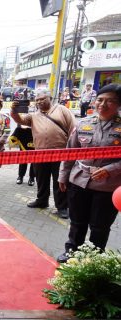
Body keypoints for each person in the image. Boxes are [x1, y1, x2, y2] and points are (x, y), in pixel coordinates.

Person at [56, 84, 121, 263]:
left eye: (110, 101)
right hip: (79, 181)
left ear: (118, 104)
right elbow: (70, 152)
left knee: (100, 226)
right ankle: (72, 251)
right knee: (77, 222)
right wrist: (63, 176)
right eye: (100, 100)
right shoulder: (83, 123)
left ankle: (93, 258)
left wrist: (110, 170)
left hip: (108, 186)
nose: (103, 104)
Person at [10, 89, 76, 219]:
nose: (39, 102)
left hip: (60, 152)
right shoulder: (34, 115)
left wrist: (71, 150)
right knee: (41, 178)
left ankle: (62, 207)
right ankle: (42, 201)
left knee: (60, 180)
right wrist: (14, 110)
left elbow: (73, 129)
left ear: (50, 98)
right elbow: (20, 120)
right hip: (40, 153)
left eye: (42, 99)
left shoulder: (62, 110)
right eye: (38, 100)